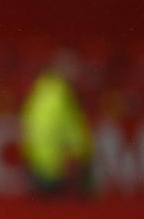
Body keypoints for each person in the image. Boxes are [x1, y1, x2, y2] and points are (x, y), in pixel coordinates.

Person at [21, 49, 91, 196]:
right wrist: (76, 155)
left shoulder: (40, 90)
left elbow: (32, 127)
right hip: (59, 166)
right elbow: (70, 130)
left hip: (39, 163)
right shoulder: (62, 95)